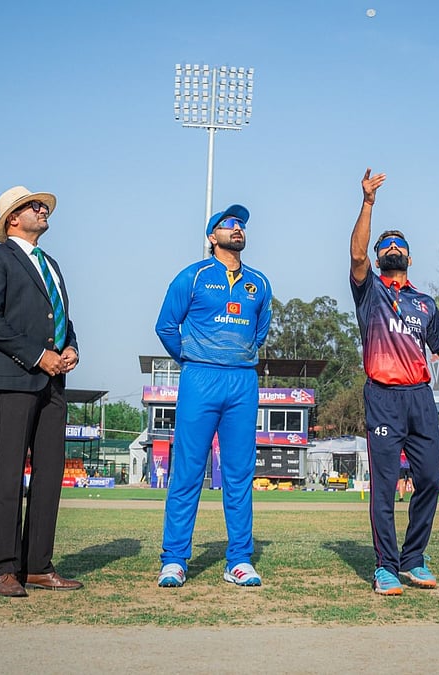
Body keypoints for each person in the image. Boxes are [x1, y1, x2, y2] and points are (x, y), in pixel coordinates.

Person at [350, 169, 439, 596]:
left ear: (410, 256)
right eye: (385, 245)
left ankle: (414, 558)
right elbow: (356, 256)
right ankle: (385, 566)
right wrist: (368, 203)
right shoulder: (369, 292)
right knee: (384, 487)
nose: (391, 248)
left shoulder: (425, 302)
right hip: (382, 397)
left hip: (420, 398)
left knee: (430, 480)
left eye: (398, 244)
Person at [155, 203, 272, 589]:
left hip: (242, 381)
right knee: (187, 471)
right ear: (212, 237)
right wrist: (193, 356)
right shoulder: (193, 277)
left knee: (239, 474)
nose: (237, 229)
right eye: (228, 224)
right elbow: (166, 326)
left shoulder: (260, 283)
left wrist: (233, 359)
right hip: (199, 379)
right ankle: (174, 559)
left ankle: (238, 559)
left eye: (241, 225)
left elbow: (260, 332)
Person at [0, 185, 83, 598]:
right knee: (9, 473)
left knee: (51, 474)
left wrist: (71, 346)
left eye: (42, 205)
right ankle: (6, 569)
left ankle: (37, 565)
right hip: (13, 377)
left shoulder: (51, 263)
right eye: (33, 206)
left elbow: (61, 318)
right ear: (13, 219)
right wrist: (39, 356)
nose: (42, 209)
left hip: (54, 380)